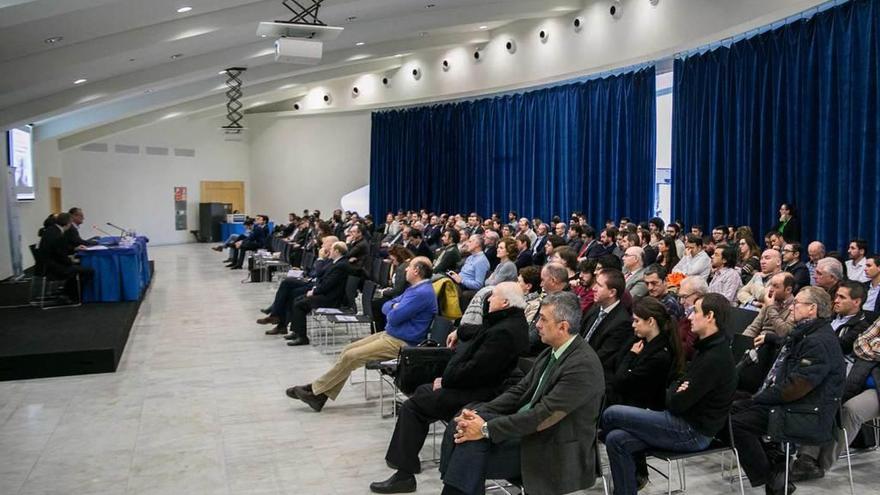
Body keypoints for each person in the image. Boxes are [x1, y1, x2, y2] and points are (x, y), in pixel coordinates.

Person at [370, 282, 530, 494]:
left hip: (482, 393)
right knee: (421, 396)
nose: (489, 299)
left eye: (493, 296)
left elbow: (477, 370)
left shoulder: (505, 332)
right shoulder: (506, 322)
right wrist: (460, 332)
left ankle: (404, 473)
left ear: (505, 302)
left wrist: (446, 381)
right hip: (476, 385)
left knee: (414, 405)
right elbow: (479, 334)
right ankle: (404, 469)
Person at [438, 292, 604, 495]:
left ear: (563, 327)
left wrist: (485, 428)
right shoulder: (552, 350)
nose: (537, 325)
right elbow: (520, 391)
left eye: (543, 319)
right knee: (462, 422)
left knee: (470, 448)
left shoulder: (582, 366)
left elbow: (543, 416)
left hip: (555, 448)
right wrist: (479, 413)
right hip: (530, 430)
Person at [602, 293, 737, 495]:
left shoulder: (715, 358)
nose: (689, 317)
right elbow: (678, 385)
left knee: (612, 414)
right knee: (615, 439)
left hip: (692, 431)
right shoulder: (707, 348)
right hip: (682, 421)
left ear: (709, 316)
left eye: (695, 312)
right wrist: (679, 386)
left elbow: (676, 403)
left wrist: (677, 388)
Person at [730, 286, 845, 495]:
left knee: (737, 424)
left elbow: (795, 388)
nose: (792, 306)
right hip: (791, 402)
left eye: (797, 303)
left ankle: (772, 478)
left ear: (812, 309)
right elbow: (789, 341)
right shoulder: (807, 332)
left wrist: (759, 398)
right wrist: (770, 338)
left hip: (806, 410)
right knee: (730, 411)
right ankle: (776, 465)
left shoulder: (819, 342)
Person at [287, 257, 437, 412]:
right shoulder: (414, 288)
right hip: (391, 334)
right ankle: (320, 394)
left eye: (409, 266)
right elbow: (386, 305)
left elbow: (392, 316)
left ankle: (316, 390)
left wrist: (393, 308)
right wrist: (394, 306)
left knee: (351, 356)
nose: (405, 269)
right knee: (347, 350)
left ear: (417, 271)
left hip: (404, 343)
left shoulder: (422, 292)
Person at [789, 315, 880, 482]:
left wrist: (872, 346)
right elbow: (859, 344)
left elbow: (866, 347)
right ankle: (806, 458)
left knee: (851, 410)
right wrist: (874, 349)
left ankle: (822, 464)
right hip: (859, 376)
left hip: (876, 390)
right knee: (826, 394)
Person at [258, 236, 337, 335]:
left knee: (292, 294)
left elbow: (319, 273)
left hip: (316, 286)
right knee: (286, 282)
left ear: (331, 245)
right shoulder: (327, 256)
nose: (322, 245)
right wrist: (304, 273)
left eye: (324, 243)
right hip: (310, 280)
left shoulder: (332, 259)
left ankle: (281, 324)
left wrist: (320, 258)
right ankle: (276, 315)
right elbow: (313, 272)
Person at [285, 242, 352, 346]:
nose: (329, 252)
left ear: (337, 251)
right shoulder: (337, 262)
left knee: (300, 304)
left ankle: (302, 337)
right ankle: (296, 331)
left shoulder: (341, 265)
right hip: (327, 294)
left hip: (332, 299)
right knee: (297, 299)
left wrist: (314, 291)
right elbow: (325, 279)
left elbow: (328, 284)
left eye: (332, 250)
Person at [580, 268, 633, 381]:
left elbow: (604, 356)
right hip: (579, 362)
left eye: (599, 285)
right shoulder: (595, 308)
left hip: (593, 374)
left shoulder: (622, 322)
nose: (594, 288)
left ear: (612, 292)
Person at [36, 212, 95, 302]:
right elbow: (61, 256)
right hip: (53, 268)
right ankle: (73, 295)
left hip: (44, 265)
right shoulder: (59, 235)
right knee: (89, 271)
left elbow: (58, 250)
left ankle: (66, 292)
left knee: (76, 267)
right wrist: (72, 261)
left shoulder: (51, 230)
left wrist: (74, 249)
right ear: (68, 223)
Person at [525, 263, 569, 356]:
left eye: (542, 280)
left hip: (540, 353)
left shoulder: (564, 303)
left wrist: (520, 344)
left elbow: (540, 336)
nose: (541, 284)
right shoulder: (552, 297)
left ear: (553, 280)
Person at [372, 246, 414, 333]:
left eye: (392, 257)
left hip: (399, 297)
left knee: (375, 304)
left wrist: (384, 292)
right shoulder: (407, 264)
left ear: (397, 256)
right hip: (402, 295)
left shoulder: (402, 268)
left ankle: (380, 331)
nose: (391, 259)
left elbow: (398, 290)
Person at [742, 272, 796, 339]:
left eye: (776, 286)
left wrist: (770, 308)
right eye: (771, 285)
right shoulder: (770, 301)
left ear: (788, 290)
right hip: (759, 341)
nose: (771, 289)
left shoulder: (795, 307)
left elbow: (784, 333)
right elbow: (754, 327)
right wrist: (742, 340)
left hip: (774, 344)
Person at [826, 281, 872, 356]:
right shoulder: (828, 316)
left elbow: (839, 346)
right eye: (836, 296)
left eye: (842, 297)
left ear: (856, 302)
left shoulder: (862, 327)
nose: (836, 300)